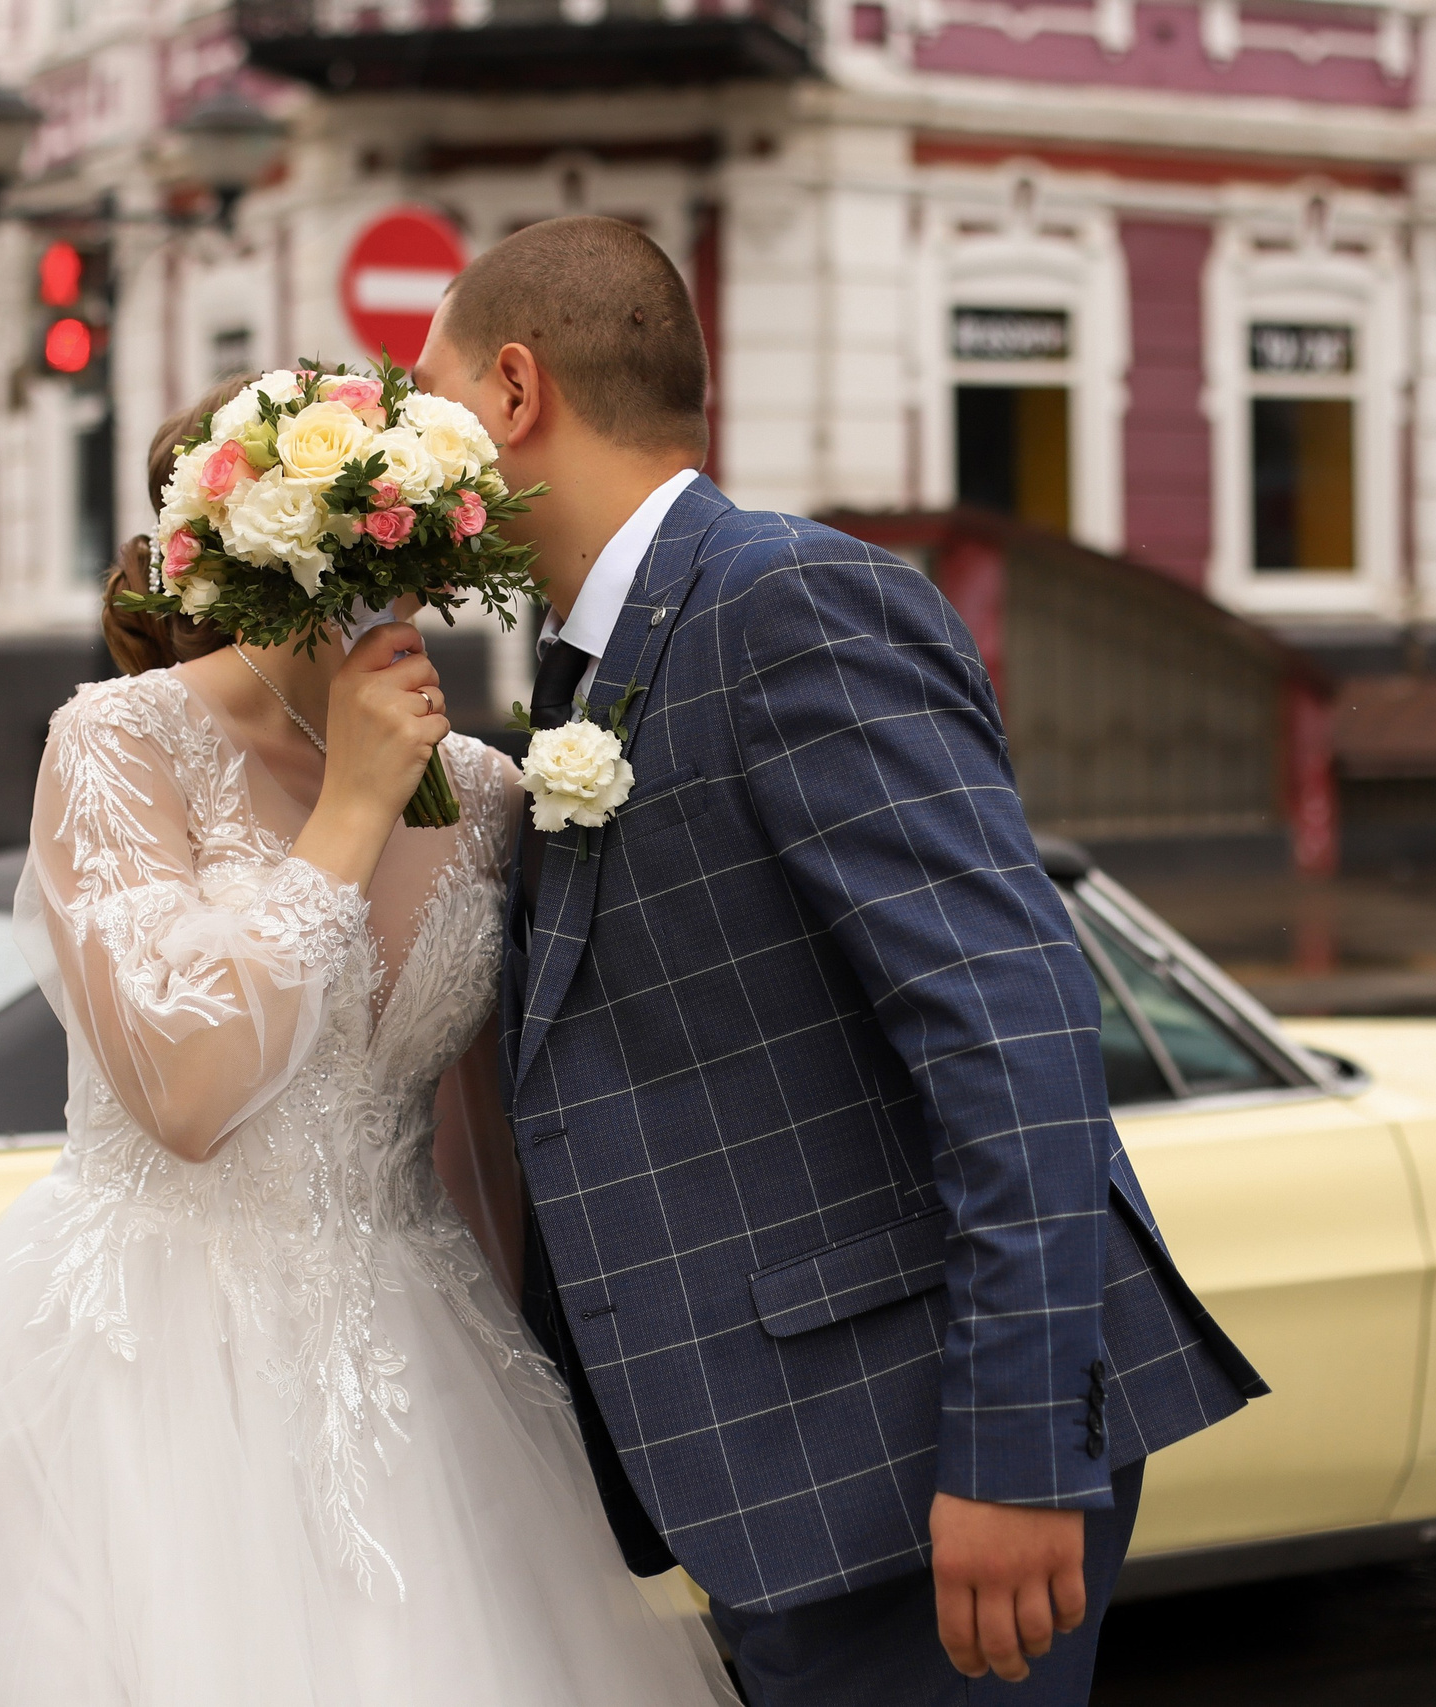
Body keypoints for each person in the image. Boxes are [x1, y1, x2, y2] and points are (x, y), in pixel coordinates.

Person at [411, 216, 1268, 1705]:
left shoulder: (789, 601)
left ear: (511, 389)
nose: (401, 434)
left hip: (918, 1459)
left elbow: (1009, 1033)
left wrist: (1014, 1449)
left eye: (418, 388)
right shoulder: (593, 656)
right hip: (785, 1474)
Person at [0, 376, 737, 1707]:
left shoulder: (479, 792)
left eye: (421, 557)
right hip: (164, 1374)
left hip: (424, 1359)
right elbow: (183, 1091)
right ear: (259, 551)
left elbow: (480, 1140)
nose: (389, 596)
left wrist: (554, 1390)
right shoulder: (118, 742)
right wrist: (349, 811)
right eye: (361, 554)